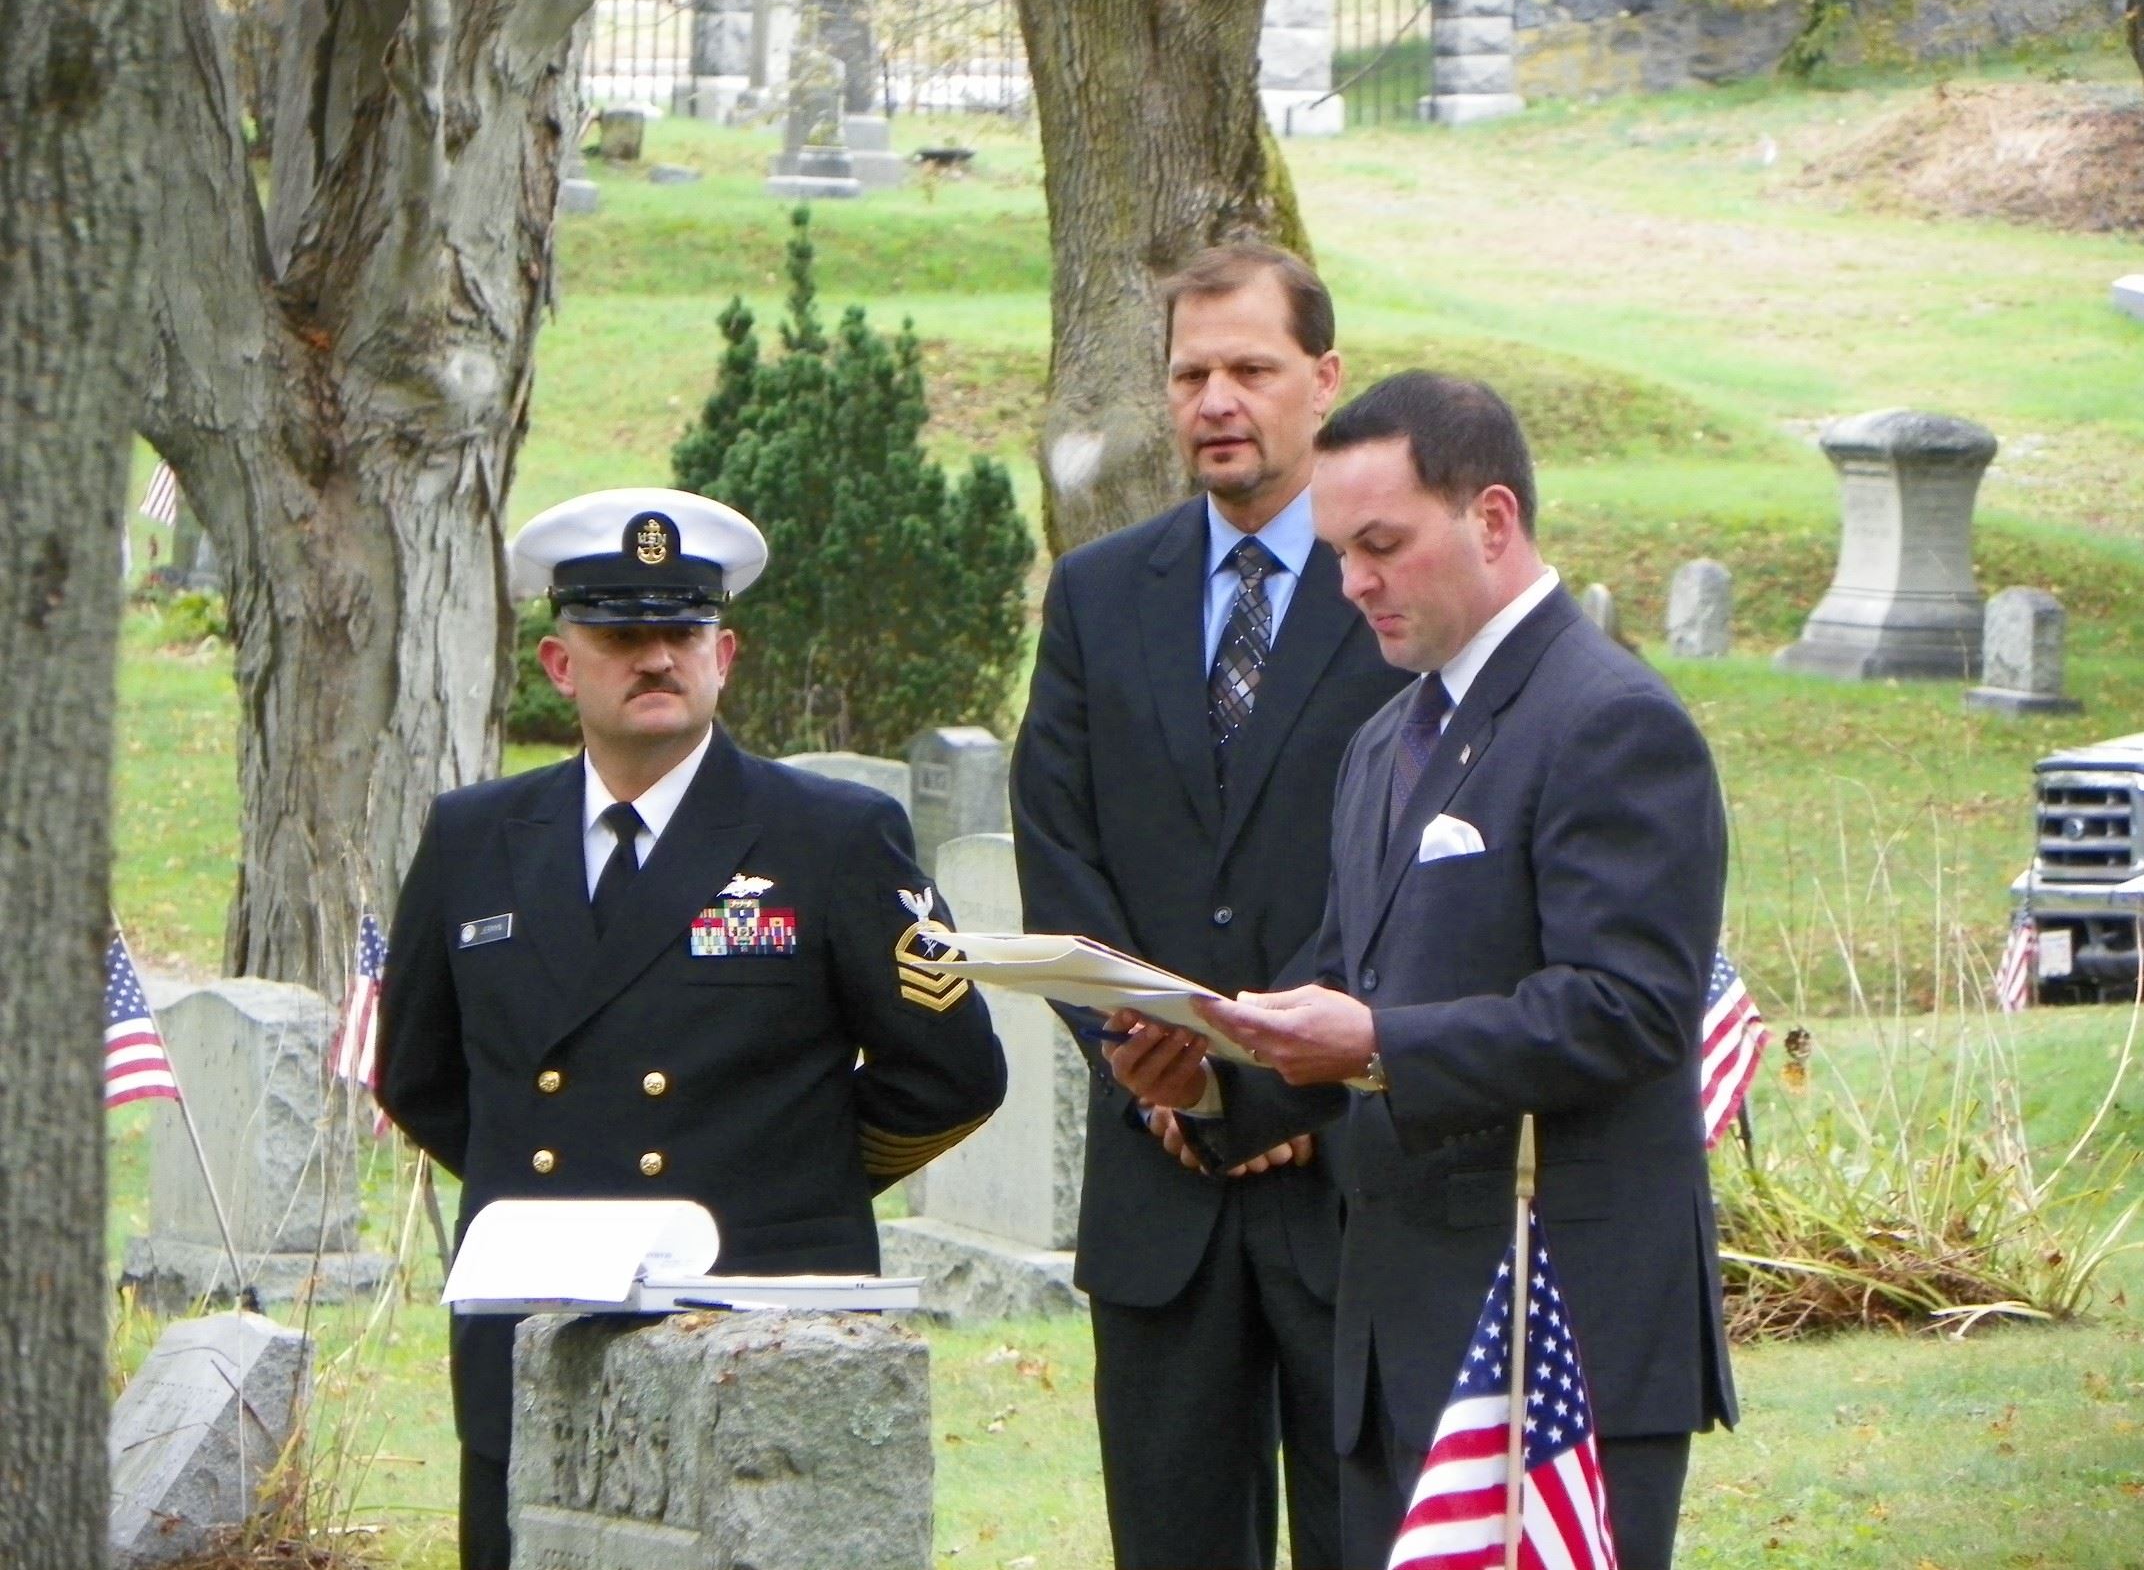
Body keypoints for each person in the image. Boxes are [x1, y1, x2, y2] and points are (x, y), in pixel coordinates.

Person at [1106, 372, 1737, 1570]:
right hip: (1393, 1332)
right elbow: (1344, 980)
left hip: (1557, 1336)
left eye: (1381, 546)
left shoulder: (1607, 718)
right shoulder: (1383, 741)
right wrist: (1202, 1078)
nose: (1351, 585)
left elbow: (1630, 1010)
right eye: (1339, 551)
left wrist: (1380, 1046)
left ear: (1490, 519)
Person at [378, 488, 1007, 1570]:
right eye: (621, 636)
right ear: (558, 665)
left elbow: (948, 1068)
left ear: (726, 653)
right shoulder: (474, 836)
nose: (654, 660)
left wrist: (786, 1176)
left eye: (678, 634)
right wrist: (544, 1200)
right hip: (536, 1316)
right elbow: (419, 1072)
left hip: (756, 1308)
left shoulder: (833, 836)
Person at [1011, 244, 1410, 1570]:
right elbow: (1059, 851)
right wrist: (1156, 1077)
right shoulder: (1100, 593)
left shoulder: (1395, 596)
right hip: (1159, 1186)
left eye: (1251, 367)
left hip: (1351, 1181)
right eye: (1191, 373)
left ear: (1324, 381)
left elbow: (1415, 863)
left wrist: (1281, 1078)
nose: (1216, 399)